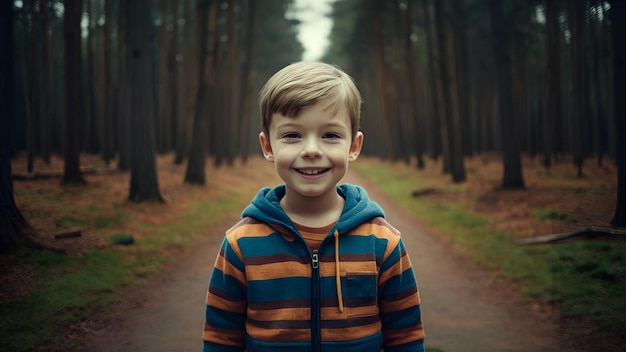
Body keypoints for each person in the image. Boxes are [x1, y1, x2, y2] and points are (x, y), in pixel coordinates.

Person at [202, 62, 425, 351]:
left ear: (353, 146)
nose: (311, 150)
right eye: (292, 135)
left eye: (330, 135)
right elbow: (221, 338)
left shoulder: (382, 243)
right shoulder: (241, 244)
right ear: (268, 146)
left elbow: (405, 336)